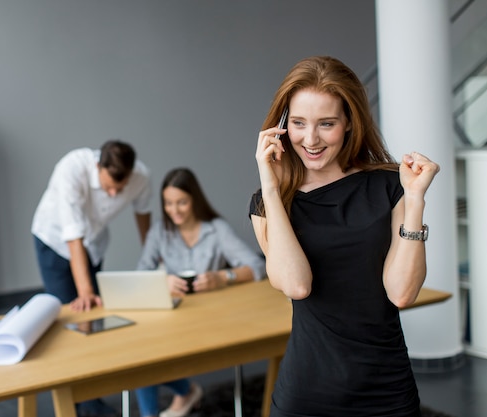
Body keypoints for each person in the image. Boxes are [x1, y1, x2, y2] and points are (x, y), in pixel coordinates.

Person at [249, 55, 440, 417]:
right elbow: (296, 285)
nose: (311, 139)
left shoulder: (390, 186)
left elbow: (401, 293)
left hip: (387, 389)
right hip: (307, 393)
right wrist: (271, 189)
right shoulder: (269, 202)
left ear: (350, 123)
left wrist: (414, 200)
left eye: (327, 123)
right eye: (300, 123)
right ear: (282, 125)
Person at [31, 139, 151, 417]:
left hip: (94, 246)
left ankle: (91, 397)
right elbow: (73, 237)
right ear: (98, 165)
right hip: (54, 242)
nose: (112, 194)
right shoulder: (71, 168)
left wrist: (152, 261)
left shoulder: (141, 176)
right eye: (108, 186)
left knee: (94, 320)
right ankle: (76, 405)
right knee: (71, 319)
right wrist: (84, 291)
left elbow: (143, 215)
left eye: (119, 191)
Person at [135, 167, 266, 417]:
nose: (174, 210)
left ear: (195, 199)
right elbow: (139, 275)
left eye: (181, 202)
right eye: (168, 203)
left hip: (212, 322)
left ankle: (184, 392)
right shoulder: (159, 232)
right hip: (172, 322)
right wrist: (161, 282)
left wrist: (223, 277)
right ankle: (172, 400)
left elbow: (258, 266)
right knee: (142, 360)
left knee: (144, 366)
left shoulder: (216, 229)